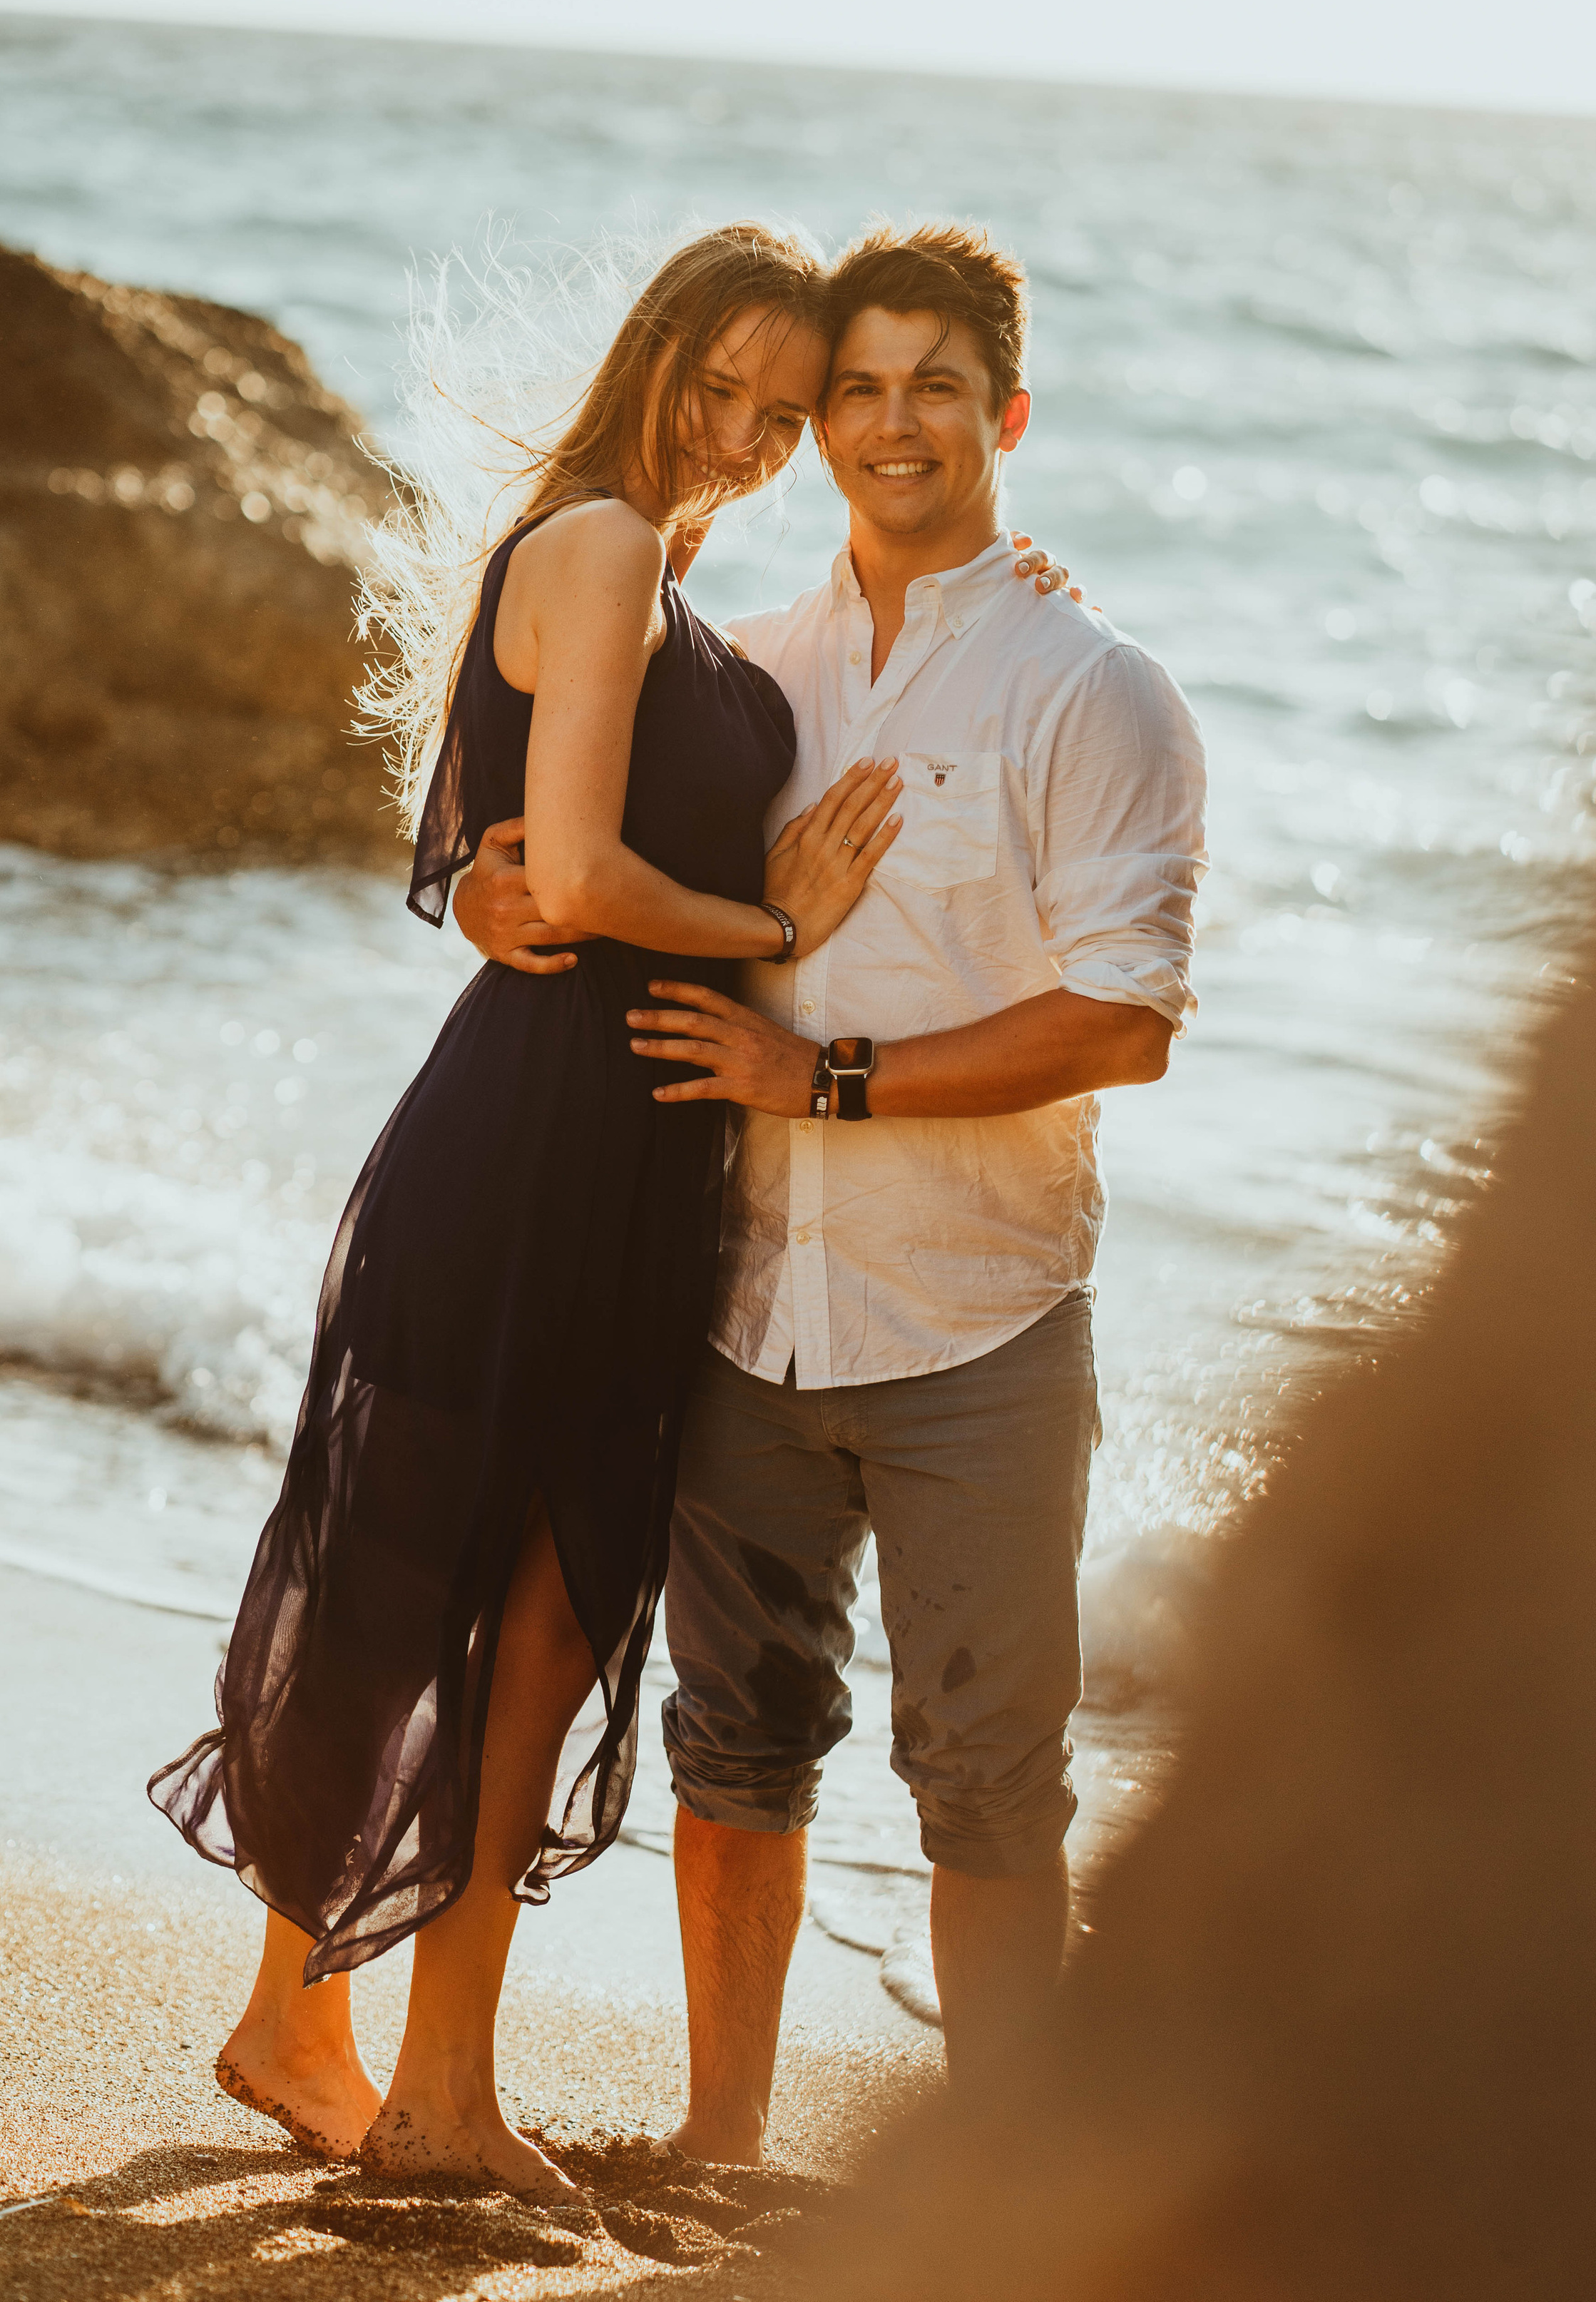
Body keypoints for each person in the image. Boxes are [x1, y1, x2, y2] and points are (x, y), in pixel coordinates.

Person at [148, 225, 909, 2201]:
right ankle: (385, 2062)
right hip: (541, 1146)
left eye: (781, 413)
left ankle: (380, 2056)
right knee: (465, 1595)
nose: (743, 434)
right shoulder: (604, 546)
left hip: (614, 1145)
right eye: (718, 387)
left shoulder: (638, 570)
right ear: (655, 349)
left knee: (498, 1604)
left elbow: (499, 860)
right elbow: (561, 877)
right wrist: (772, 929)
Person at [454, 223, 1207, 2156]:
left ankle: (1001, 2199)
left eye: (934, 387)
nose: (889, 424)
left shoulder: (1093, 687)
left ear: (1007, 417)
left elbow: (1126, 1020)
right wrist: (477, 884)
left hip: (980, 1322)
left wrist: (826, 1077)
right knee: (736, 1743)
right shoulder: (753, 667)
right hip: (739, 1303)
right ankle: (719, 2145)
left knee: (989, 1782)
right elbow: (569, 818)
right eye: (851, 391)